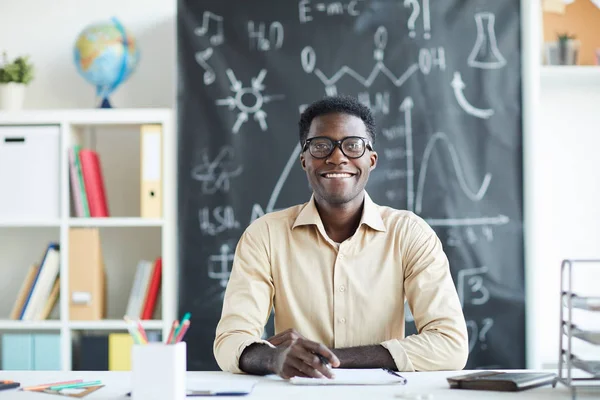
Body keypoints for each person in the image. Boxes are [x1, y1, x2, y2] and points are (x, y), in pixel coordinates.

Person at [213, 95, 469, 379]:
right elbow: (230, 342)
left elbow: (451, 345)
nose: (337, 157)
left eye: (353, 145)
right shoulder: (265, 235)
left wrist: (321, 359)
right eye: (321, 146)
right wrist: (275, 358)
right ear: (304, 160)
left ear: (371, 160)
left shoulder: (409, 234)